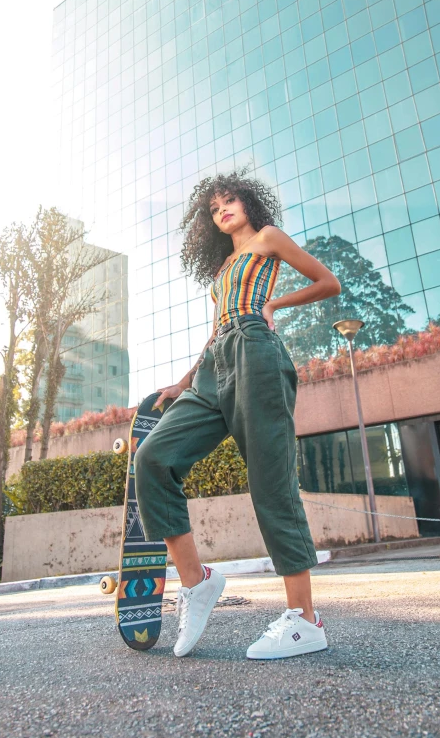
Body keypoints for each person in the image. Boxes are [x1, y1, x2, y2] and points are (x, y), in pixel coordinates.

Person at [135, 170, 341, 659]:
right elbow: (213, 334)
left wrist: (275, 303)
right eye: (213, 208)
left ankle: (305, 621)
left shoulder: (267, 239)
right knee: (153, 459)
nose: (222, 209)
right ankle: (197, 581)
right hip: (215, 368)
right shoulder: (222, 270)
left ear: (248, 202)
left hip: (257, 354)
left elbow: (327, 283)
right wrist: (184, 382)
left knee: (271, 483)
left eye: (230, 200)